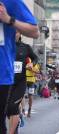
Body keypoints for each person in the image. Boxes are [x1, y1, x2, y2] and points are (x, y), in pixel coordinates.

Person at [0, 1, 39, 133]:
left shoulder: (25, 48)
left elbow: (35, 32)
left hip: (16, 79)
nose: (16, 33)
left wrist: (8, 19)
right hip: (10, 79)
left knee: (11, 108)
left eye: (17, 32)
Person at [7, 31, 38, 133]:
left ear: (20, 34)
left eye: (16, 32)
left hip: (20, 82)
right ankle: (18, 117)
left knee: (13, 106)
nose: (14, 34)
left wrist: (31, 64)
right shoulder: (5, 45)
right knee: (7, 108)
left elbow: (35, 58)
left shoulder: (26, 47)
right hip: (7, 83)